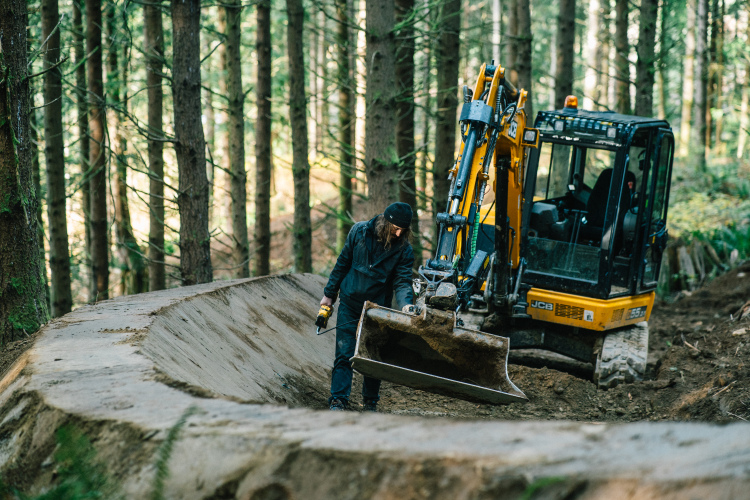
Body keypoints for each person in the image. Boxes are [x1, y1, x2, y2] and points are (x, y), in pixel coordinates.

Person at [320, 202, 415, 412]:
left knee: (373, 358)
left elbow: (402, 282)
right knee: (344, 354)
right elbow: (343, 263)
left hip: (377, 311)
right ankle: (338, 400)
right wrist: (329, 295)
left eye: (403, 230)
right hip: (349, 303)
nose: (399, 234)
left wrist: (407, 305)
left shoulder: (404, 250)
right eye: (395, 228)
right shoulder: (359, 232)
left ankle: (370, 402)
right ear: (385, 222)